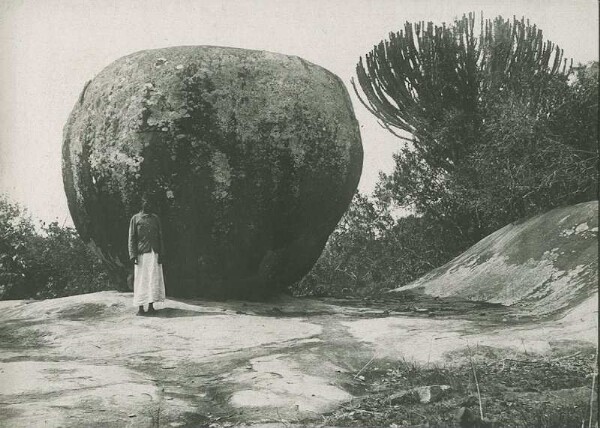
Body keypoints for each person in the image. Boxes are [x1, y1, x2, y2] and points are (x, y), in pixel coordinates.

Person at [128, 196, 166, 315]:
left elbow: (160, 237)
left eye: (150, 203)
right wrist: (133, 255)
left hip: (154, 253)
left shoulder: (155, 219)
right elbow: (131, 237)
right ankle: (140, 308)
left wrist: (161, 253)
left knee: (153, 279)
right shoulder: (135, 218)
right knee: (141, 280)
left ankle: (151, 306)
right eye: (146, 202)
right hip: (141, 254)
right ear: (141, 204)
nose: (148, 205)